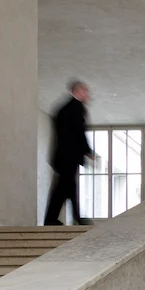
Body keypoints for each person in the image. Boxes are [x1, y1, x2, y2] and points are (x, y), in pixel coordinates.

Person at [44, 80, 94, 226]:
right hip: (69, 157)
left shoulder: (65, 108)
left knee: (69, 188)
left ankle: (77, 217)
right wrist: (87, 150)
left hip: (64, 156)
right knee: (62, 189)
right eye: (85, 91)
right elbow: (78, 131)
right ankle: (51, 219)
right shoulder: (75, 108)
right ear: (77, 91)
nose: (88, 95)